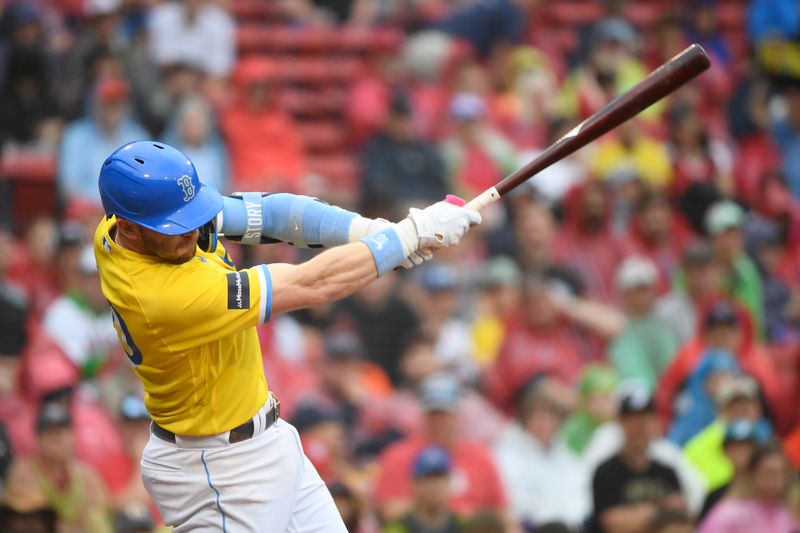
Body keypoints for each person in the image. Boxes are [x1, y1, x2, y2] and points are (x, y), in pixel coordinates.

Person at [94, 140, 480, 530]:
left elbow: (273, 214)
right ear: (128, 228)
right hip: (218, 469)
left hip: (263, 438)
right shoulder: (164, 297)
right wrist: (406, 237)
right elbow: (312, 284)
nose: (193, 231)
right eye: (176, 225)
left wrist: (372, 232)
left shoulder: (131, 227)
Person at [373, 374, 506, 521]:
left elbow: (501, 514)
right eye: (434, 414)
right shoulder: (397, 456)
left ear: (458, 415)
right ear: (422, 415)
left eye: (446, 414)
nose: (440, 421)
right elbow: (389, 511)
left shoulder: (481, 457)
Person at [492, 376, 589, 529]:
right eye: (537, 415)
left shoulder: (564, 451)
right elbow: (517, 506)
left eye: (551, 415)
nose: (544, 422)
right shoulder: (507, 452)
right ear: (524, 417)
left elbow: (580, 494)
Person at [3, 402, 113, 532]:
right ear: (38, 439)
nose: (57, 438)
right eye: (50, 432)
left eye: (62, 431)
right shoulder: (24, 473)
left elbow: (102, 524)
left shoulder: (88, 477)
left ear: (73, 437)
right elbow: (25, 522)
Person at [588, 388, 687, 533]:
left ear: (655, 422)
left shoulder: (667, 472)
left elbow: (683, 519)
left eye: (646, 418)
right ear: (621, 423)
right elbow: (614, 525)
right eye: (632, 419)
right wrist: (662, 511)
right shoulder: (606, 472)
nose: (640, 426)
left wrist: (643, 514)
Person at [58, 77, 148, 205]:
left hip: (126, 214)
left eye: (118, 103)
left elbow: (144, 186)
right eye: (108, 103)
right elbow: (69, 188)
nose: (113, 110)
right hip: (85, 215)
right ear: (95, 105)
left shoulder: (139, 137)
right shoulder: (75, 136)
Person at [360, 91, 449, 217]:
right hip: (398, 207)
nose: (402, 125)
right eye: (398, 119)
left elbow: (440, 179)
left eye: (405, 119)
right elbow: (375, 184)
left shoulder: (423, 148)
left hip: (428, 204)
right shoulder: (379, 148)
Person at [42, 245, 119, 381]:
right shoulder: (60, 313)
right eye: (93, 277)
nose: (99, 283)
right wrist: (114, 360)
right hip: (74, 390)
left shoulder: (120, 311)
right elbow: (75, 367)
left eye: (104, 276)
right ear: (80, 279)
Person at [683, 376, 773, 491]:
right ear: (720, 410)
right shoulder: (696, 449)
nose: (741, 410)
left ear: (759, 409)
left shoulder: (768, 442)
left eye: (747, 405)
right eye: (734, 406)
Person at [607, 256, 679, 391]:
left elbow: (672, 367)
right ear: (624, 294)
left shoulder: (663, 324)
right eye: (635, 290)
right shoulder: (618, 328)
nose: (641, 296)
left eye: (644, 289)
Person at [698, 443, 800, 533]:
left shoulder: (792, 511)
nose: (776, 480)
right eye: (768, 473)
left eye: (781, 473)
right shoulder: (730, 512)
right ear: (752, 473)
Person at [705, 200, 764, 337]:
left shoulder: (748, 270)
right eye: (726, 233)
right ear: (712, 237)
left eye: (736, 233)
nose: (732, 240)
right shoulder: (699, 266)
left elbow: (753, 316)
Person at [382, 446, 466, 533]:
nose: (435, 485)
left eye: (441, 477)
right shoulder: (397, 528)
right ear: (414, 484)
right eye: (428, 478)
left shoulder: (464, 527)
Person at [654, 241, 719, 344]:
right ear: (685, 273)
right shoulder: (666, 309)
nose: (702, 277)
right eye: (696, 271)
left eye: (706, 270)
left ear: (716, 272)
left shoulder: (726, 307)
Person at [697, 419, 760, 523]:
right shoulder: (715, 496)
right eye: (735, 447)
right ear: (725, 452)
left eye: (747, 447)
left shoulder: (766, 492)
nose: (741, 452)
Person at [562, 364, 618, 454]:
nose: (602, 405)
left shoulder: (622, 429)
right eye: (594, 399)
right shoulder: (572, 432)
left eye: (606, 397)